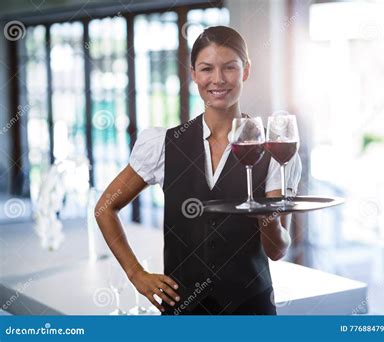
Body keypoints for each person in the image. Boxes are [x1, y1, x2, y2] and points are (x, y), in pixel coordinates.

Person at [95, 26, 301, 315]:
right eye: (206, 69)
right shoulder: (162, 145)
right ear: (193, 74)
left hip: (250, 310)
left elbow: (277, 250)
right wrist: (136, 274)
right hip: (182, 312)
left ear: (245, 71)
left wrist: (266, 215)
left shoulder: (274, 150)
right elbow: (105, 207)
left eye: (229, 67)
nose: (218, 79)